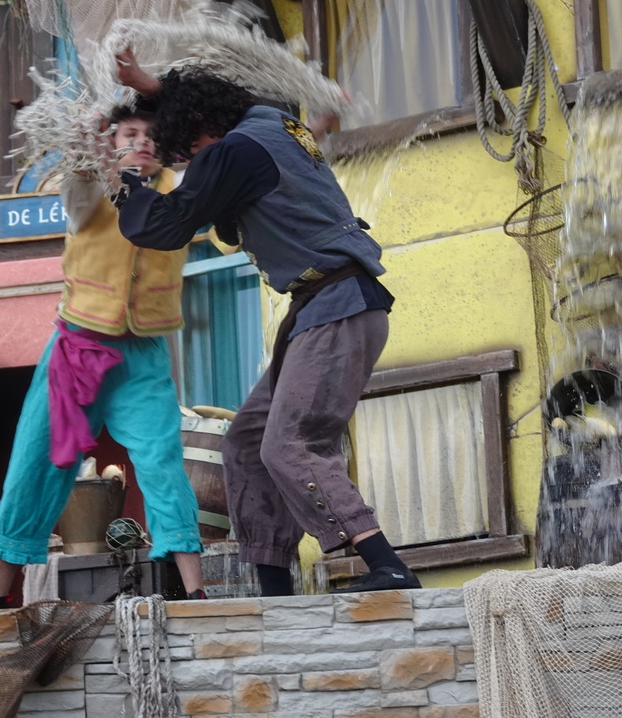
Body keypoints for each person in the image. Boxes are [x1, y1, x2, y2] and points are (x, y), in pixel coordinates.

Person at [113, 57, 421, 596]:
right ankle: (274, 586)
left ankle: (387, 564)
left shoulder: (233, 151)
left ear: (198, 129)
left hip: (338, 307)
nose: (187, 162)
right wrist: (152, 86)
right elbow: (207, 99)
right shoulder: (272, 123)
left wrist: (123, 187)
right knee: (247, 441)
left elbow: (165, 225)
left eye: (186, 151)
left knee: (290, 444)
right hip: (330, 306)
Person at [0, 106, 205, 610]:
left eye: (150, 134)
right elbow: (80, 201)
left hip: (143, 352)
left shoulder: (183, 189)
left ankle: (194, 589)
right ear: (112, 141)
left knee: (163, 463)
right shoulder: (88, 186)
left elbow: (227, 170)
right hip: (79, 346)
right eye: (130, 133)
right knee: (36, 460)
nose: (141, 142)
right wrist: (90, 150)